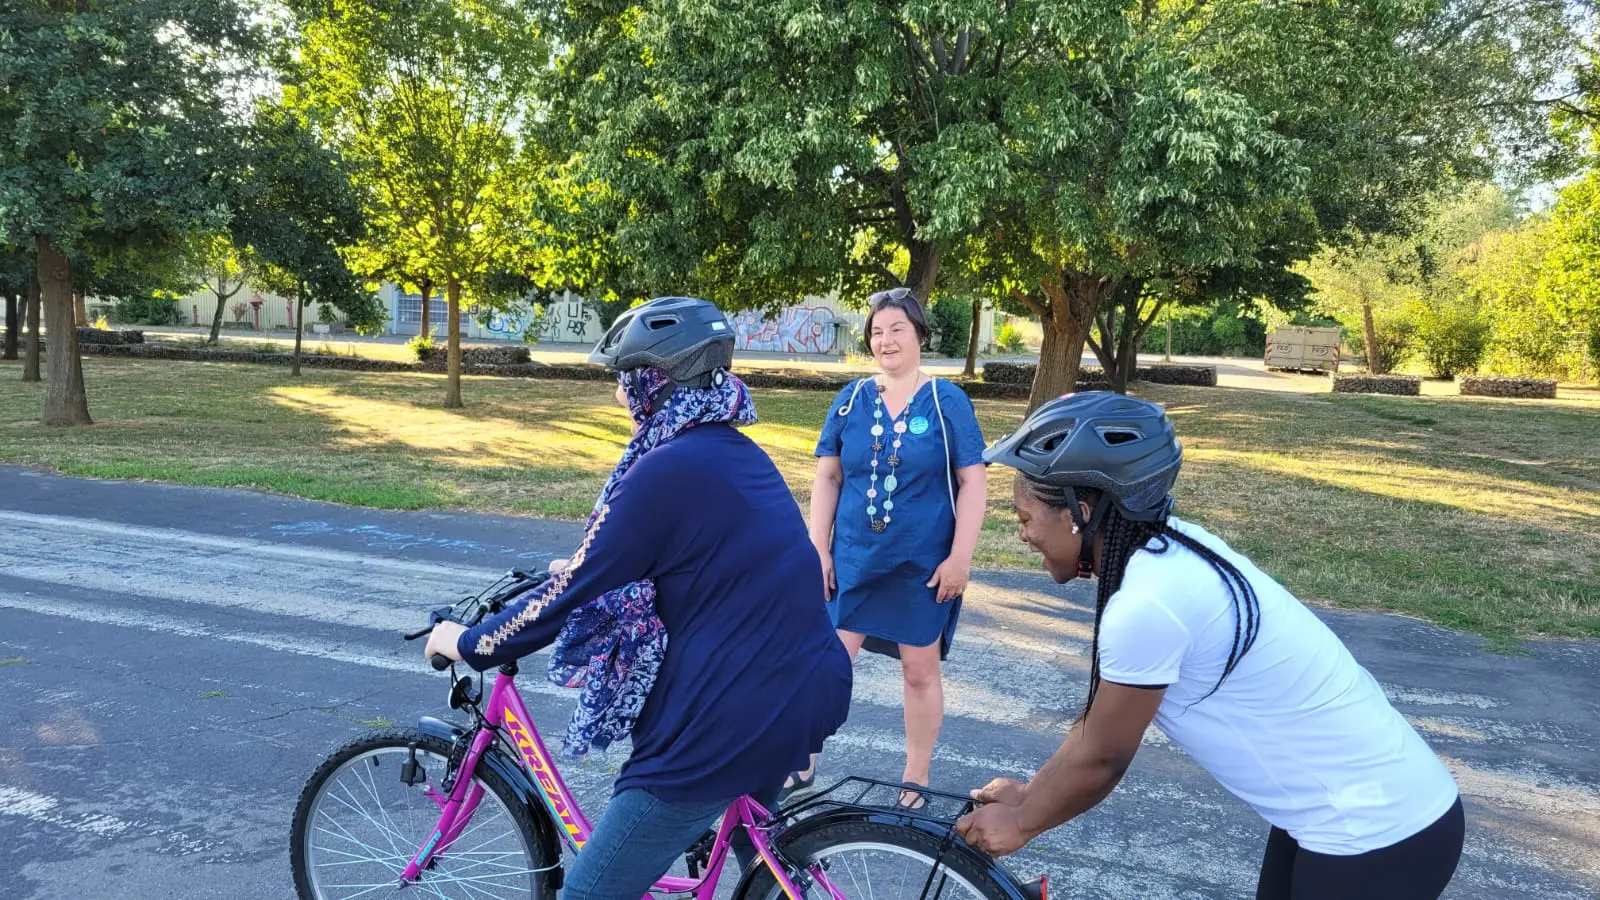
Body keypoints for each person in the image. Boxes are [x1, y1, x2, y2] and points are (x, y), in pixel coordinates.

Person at [424, 296, 853, 900]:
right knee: (767, 868)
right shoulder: (732, 451)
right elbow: (699, 557)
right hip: (802, 684)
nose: (619, 398)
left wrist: (469, 643)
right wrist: (595, 568)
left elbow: (573, 591)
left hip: (724, 720)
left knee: (588, 894)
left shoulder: (663, 470)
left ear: (652, 381)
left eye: (623, 382)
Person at [956, 391, 1464, 900]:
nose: (1021, 533)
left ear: (1080, 512)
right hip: (1342, 816)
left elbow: (1102, 758)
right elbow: (1098, 727)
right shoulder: (1167, 550)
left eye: (1024, 518)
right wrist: (1029, 796)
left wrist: (1024, 822)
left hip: (1375, 832)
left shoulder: (1149, 604)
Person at [794, 286, 988, 808]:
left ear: (920, 335)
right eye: (877, 332)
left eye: (897, 328)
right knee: (828, 660)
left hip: (920, 567)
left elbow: (973, 483)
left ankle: (916, 776)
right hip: (854, 560)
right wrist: (819, 547)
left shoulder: (948, 401)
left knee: (918, 671)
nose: (886, 339)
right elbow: (829, 476)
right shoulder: (852, 399)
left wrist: (960, 557)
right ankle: (803, 755)